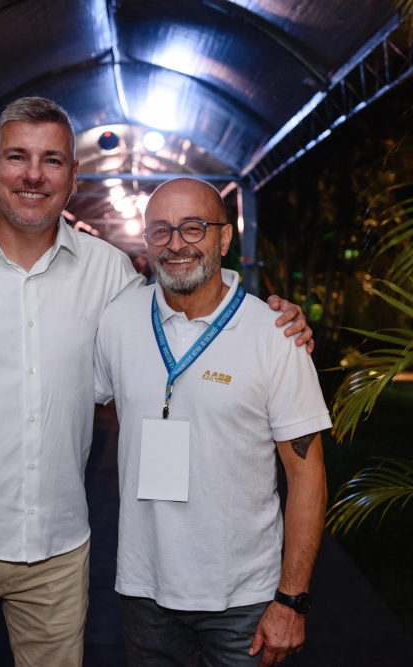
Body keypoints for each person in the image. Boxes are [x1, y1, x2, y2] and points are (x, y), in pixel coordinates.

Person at [0, 97, 313, 667]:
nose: (33, 174)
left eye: (51, 160)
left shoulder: (110, 273)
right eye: (18, 157)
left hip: (57, 552)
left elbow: (184, 305)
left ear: (73, 176)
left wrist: (267, 320)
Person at [94, 178, 330, 667]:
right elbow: (65, 398)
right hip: (143, 587)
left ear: (224, 239)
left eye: (193, 227)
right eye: (161, 230)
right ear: (146, 240)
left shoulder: (275, 334)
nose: (176, 243)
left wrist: (292, 599)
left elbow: (306, 475)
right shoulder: (117, 321)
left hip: (244, 599)